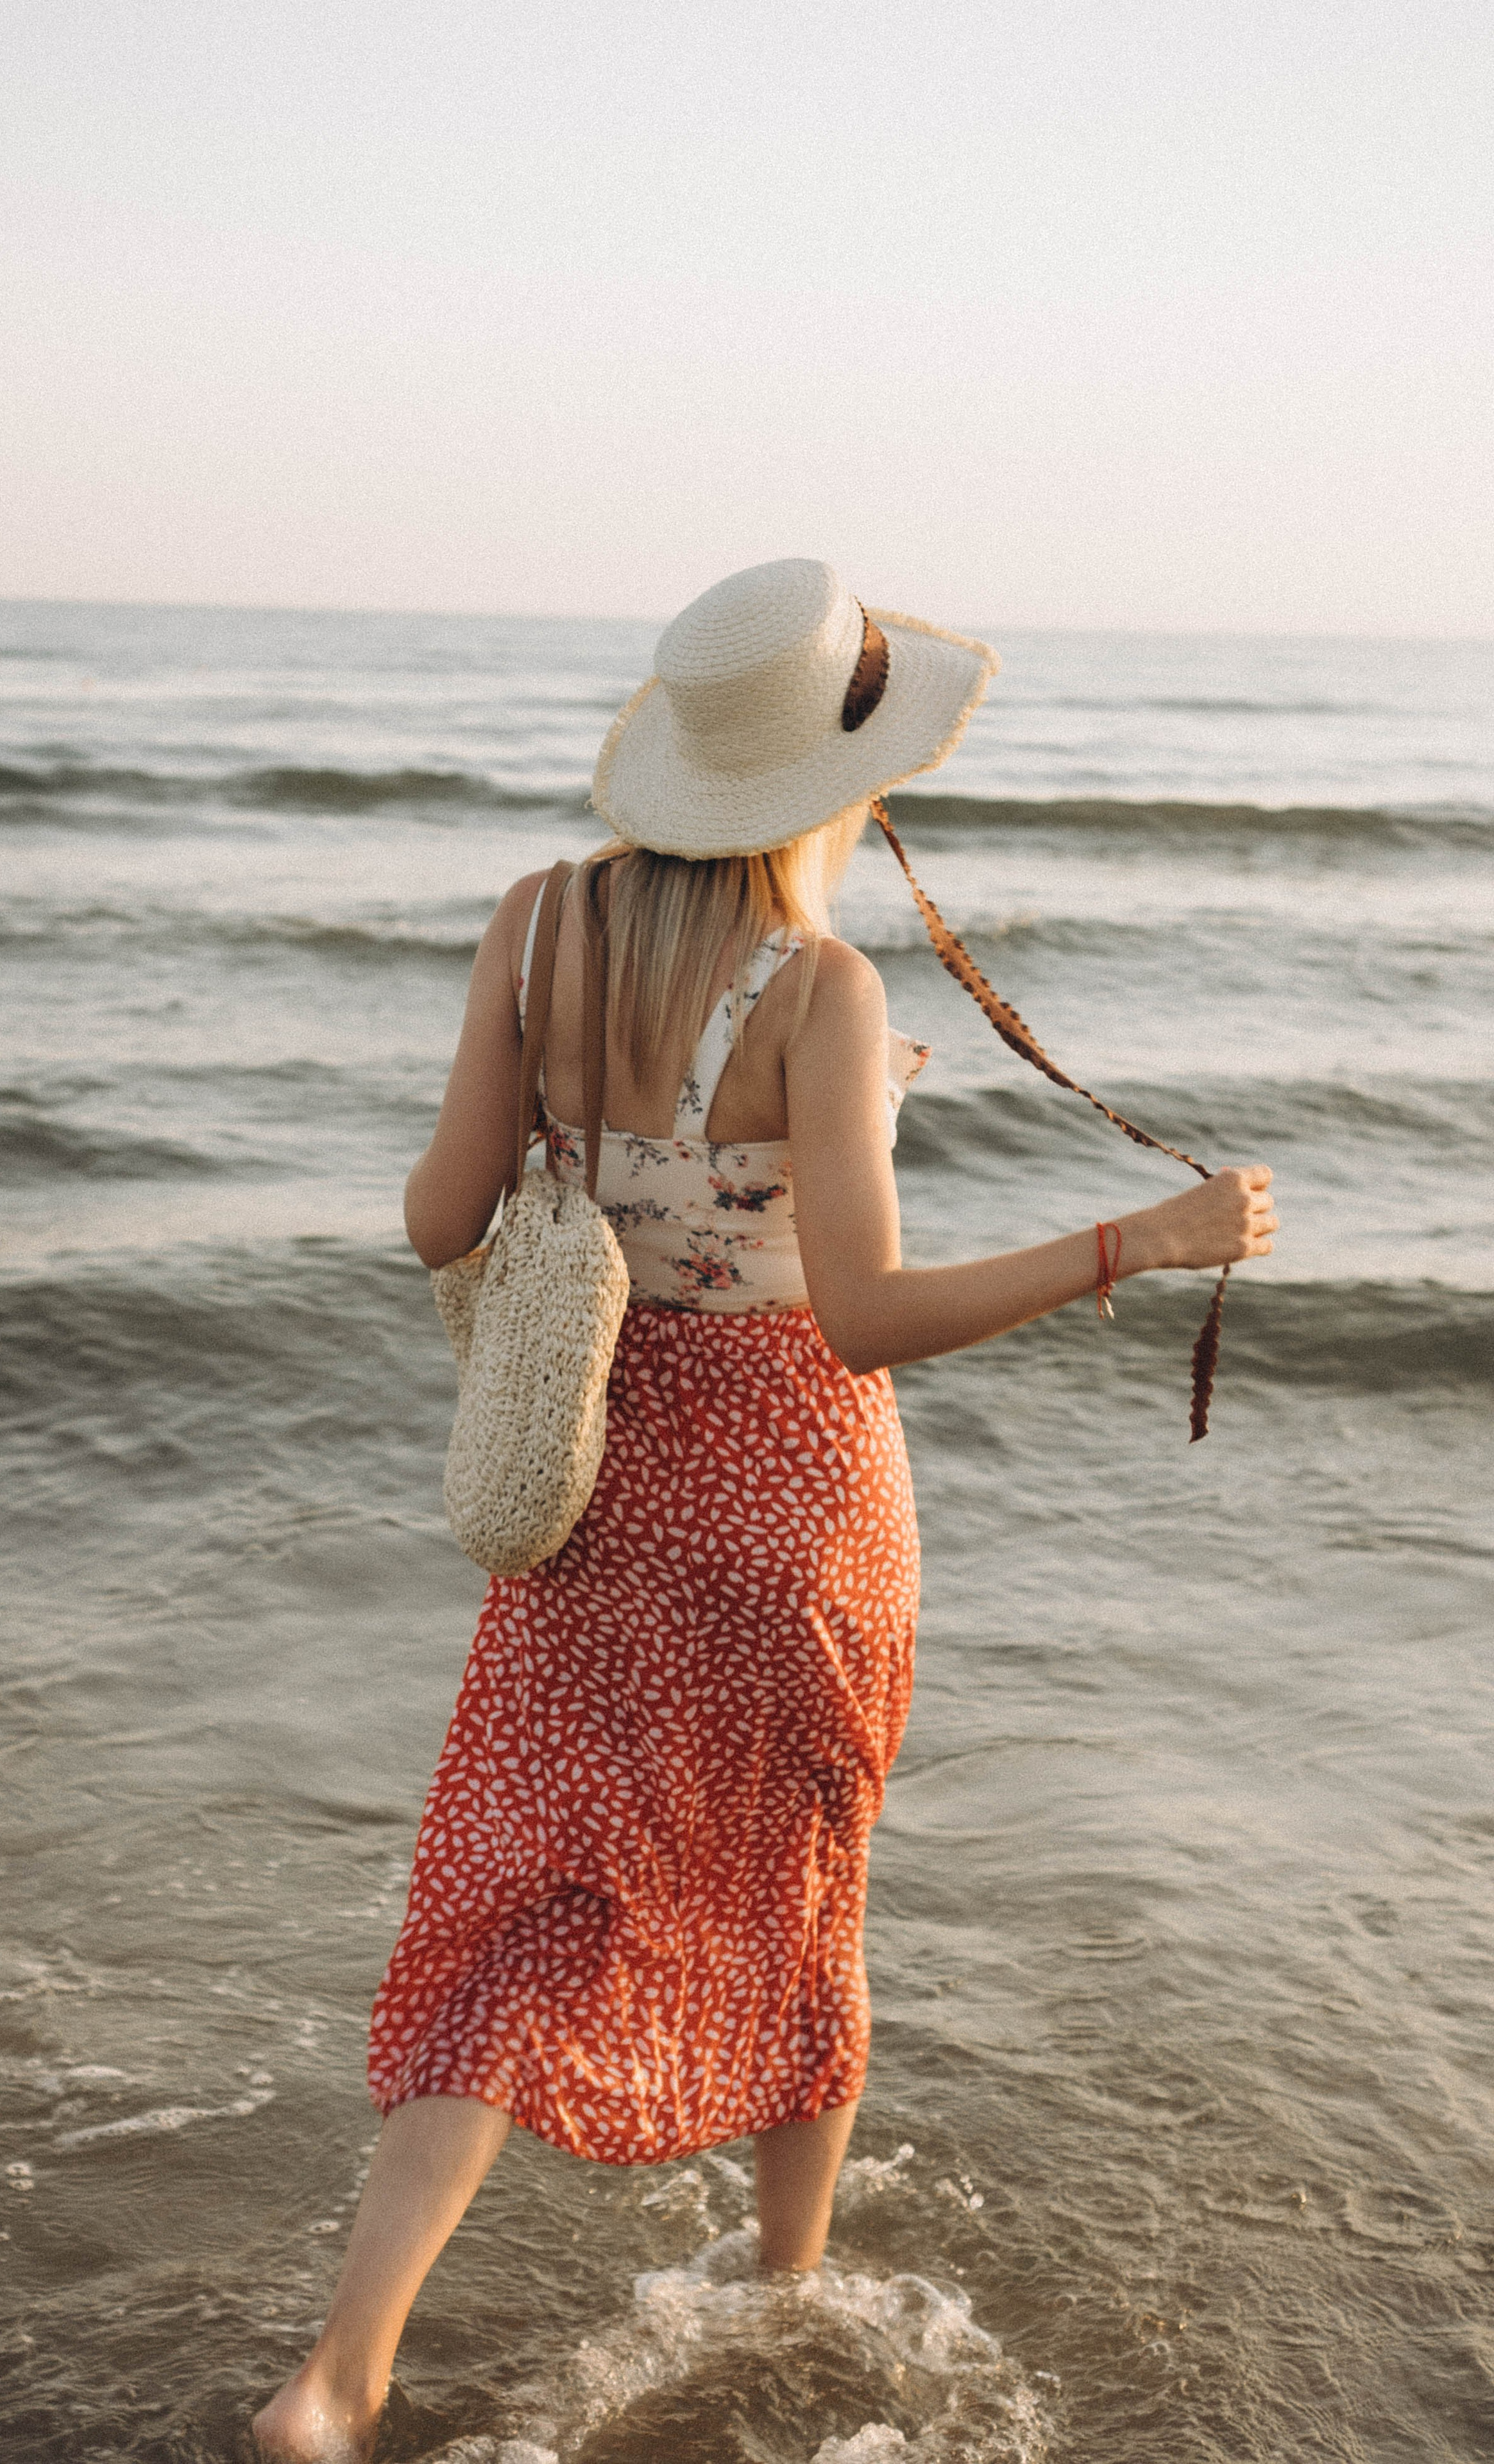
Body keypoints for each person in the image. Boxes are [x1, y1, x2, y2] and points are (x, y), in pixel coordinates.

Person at [253, 560, 1275, 2461]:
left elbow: (435, 1222)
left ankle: (337, 2378)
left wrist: (583, 1152)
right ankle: (788, 2293)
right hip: (799, 1491)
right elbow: (870, 1316)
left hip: (595, 1482)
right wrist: (1151, 1234)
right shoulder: (821, 988)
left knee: (532, 1913)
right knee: (806, 1884)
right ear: (829, 778)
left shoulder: (537, 926)